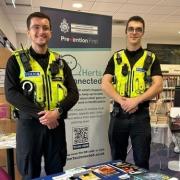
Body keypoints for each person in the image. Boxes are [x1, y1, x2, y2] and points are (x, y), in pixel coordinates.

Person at [5, 12, 79, 179]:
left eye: (45, 28)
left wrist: (57, 112)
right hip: (29, 126)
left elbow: (74, 93)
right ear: (28, 32)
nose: (41, 31)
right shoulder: (15, 61)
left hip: (56, 125)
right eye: (36, 27)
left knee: (57, 171)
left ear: (51, 32)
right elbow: (11, 94)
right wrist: (45, 115)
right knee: (30, 172)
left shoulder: (60, 61)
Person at [101, 16, 163, 170]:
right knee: (116, 160)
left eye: (138, 29)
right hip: (118, 114)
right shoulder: (116, 57)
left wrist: (136, 100)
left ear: (142, 33)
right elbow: (105, 83)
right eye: (131, 29)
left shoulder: (151, 58)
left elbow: (158, 85)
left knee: (142, 160)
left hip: (140, 116)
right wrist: (123, 101)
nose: (134, 32)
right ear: (126, 31)